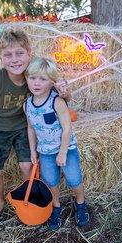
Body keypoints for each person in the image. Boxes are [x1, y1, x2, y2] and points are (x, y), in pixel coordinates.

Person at [0, 28, 69, 230]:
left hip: (23, 126)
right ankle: (0, 202)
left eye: (19, 53)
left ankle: (28, 197)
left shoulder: (35, 74)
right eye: (7, 54)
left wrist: (65, 93)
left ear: (30, 53)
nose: (14, 59)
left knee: (27, 166)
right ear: (0, 57)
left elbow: (55, 87)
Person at [24, 57, 89, 231]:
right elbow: (30, 128)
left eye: (43, 79)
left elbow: (67, 128)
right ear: (26, 78)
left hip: (66, 149)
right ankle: (56, 206)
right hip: (45, 151)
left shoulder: (57, 102)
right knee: (50, 181)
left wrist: (62, 153)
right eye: (32, 78)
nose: (37, 83)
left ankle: (80, 203)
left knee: (74, 178)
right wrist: (33, 150)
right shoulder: (27, 105)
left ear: (52, 82)